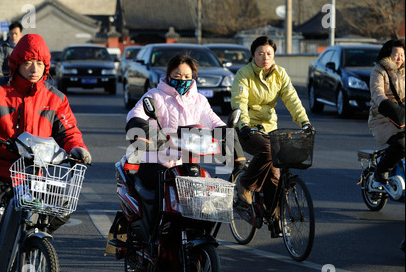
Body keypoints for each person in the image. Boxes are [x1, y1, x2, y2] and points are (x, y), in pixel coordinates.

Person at [0, 34, 92, 272]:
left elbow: (68, 131)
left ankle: (26, 251)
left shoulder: (56, 99)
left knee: (55, 211)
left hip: (31, 174)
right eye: (29, 62)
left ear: (46, 67)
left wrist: (77, 148)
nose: (34, 68)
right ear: (16, 63)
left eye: (40, 63)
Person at [126, 53, 246, 190]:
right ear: (168, 74)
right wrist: (145, 131)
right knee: (162, 186)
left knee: (205, 190)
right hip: (155, 160)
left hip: (187, 163)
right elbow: (136, 114)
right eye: (177, 76)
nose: (182, 80)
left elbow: (215, 121)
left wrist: (227, 135)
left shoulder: (199, 100)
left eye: (187, 77)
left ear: (193, 77)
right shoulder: (154, 95)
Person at [231, 36, 312, 217]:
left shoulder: (280, 73)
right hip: (247, 128)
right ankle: (245, 183)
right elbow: (239, 102)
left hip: (269, 127)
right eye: (260, 53)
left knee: (276, 173)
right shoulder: (243, 75)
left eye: (269, 53)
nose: (265, 57)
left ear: (274, 55)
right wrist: (243, 124)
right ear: (253, 55)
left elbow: (292, 100)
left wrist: (304, 122)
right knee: (267, 151)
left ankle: (273, 216)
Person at [368, 39, 405, 191]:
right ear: (388, 55)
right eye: (396, 55)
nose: (400, 58)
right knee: (402, 143)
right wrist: (386, 105)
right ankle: (380, 172)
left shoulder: (404, 72)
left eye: (402, 55)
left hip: (402, 116)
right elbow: (377, 93)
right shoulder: (379, 71)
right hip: (382, 118)